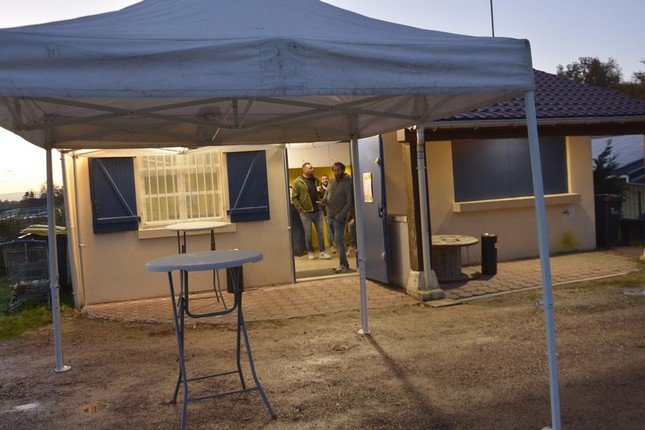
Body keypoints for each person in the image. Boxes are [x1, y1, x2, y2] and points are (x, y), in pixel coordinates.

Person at [291, 162, 331, 260]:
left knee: (320, 232)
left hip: (317, 211)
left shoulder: (316, 180)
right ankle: (310, 252)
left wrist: (320, 193)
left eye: (312, 167)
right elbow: (294, 198)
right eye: (310, 168)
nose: (313, 169)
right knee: (308, 234)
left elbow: (320, 194)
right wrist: (300, 209)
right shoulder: (298, 182)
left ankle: (322, 252)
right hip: (306, 213)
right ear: (304, 170)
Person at [321, 162, 353, 273]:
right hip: (329, 215)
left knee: (339, 241)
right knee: (335, 241)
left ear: (343, 170)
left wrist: (340, 216)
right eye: (334, 170)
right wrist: (324, 200)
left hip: (340, 217)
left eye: (339, 170)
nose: (336, 172)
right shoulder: (331, 181)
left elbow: (349, 203)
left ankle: (343, 264)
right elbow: (327, 194)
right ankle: (344, 263)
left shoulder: (348, 182)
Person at [319, 174, 336, 254]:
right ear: (321, 181)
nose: (325, 180)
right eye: (323, 179)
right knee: (330, 230)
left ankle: (338, 245)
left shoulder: (333, 187)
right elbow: (319, 201)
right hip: (326, 213)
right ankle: (331, 246)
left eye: (326, 178)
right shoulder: (319, 190)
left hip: (336, 212)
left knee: (337, 229)